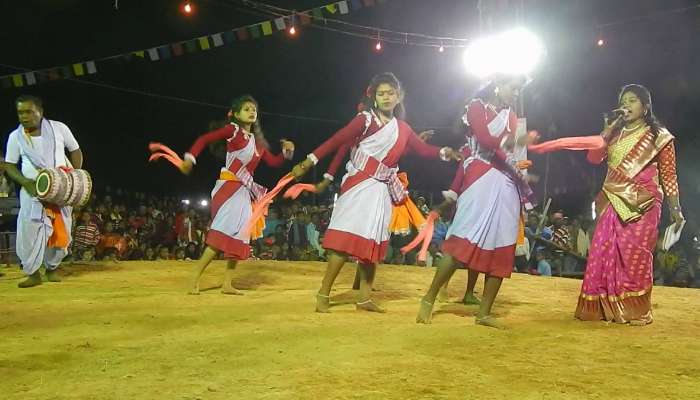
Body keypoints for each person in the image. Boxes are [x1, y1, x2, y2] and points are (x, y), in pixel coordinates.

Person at [290, 72, 458, 313]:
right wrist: (308, 162)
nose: (386, 97)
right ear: (374, 97)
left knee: (373, 241)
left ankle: (365, 298)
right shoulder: (364, 120)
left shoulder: (403, 128)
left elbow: (422, 150)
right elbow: (337, 140)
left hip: (381, 190)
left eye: (391, 93)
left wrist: (445, 152)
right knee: (345, 240)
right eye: (381, 93)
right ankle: (323, 293)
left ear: (398, 97)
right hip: (359, 185)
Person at [416, 75, 534, 328]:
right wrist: (512, 147)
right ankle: (429, 298)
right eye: (513, 88)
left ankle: (484, 312)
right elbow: (484, 139)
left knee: (502, 246)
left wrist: (520, 167)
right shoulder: (476, 107)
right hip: (480, 175)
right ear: (498, 85)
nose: (515, 94)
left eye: (518, 90)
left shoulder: (513, 117)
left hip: (506, 183)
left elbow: (514, 152)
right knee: (462, 240)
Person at [575, 84, 684, 325]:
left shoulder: (659, 137)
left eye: (633, 100)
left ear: (645, 107)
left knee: (635, 255)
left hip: (643, 202)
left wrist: (676, 210)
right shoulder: (614, 134)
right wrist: (607, 130)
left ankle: (635, 310)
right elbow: (593, 158)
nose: (627, 105)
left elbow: (669, 175)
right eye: (624, 101)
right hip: (612, 198)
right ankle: (603, 307)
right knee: (603, 250)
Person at [179, 95, 294, 295]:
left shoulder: (258, 144)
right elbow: (204, 139)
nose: (252, 111)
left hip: (243, 192)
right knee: (222, 233)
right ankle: (193, 278)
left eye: (254, 109)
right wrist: (190, 158)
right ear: (237, 114)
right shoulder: (233, 131)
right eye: (247, 108)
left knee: (238, 236)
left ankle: (227, 284)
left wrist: (286, 154)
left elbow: (274, 162)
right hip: (229, 187)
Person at [3, 95, 84, 287]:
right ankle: (33, 273)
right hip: (32, 191)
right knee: (30, 231)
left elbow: (75, 150)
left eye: (28, 112)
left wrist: (74, 177)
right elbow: (9, 165)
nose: (24, 116)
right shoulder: (16, 137)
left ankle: (52, 269)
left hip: (61, 191)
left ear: (40, 112)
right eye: (20, 112)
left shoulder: (59, 128)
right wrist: (27, 183)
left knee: (61, 227)